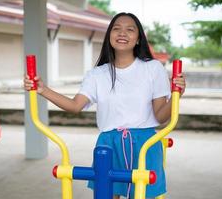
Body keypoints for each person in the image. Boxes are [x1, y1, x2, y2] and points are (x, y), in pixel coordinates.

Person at [24, 12, 186, 199]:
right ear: (109, 36)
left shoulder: (153, 68)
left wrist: (176, 95)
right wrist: (42, 89)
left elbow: (161, 116)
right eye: (116, 29)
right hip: (108, 145)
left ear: (138, 38)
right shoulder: (96, 75)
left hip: (145, 144)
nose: (122, 33)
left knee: (144, 195)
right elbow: (75, 105)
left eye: (130, 29)